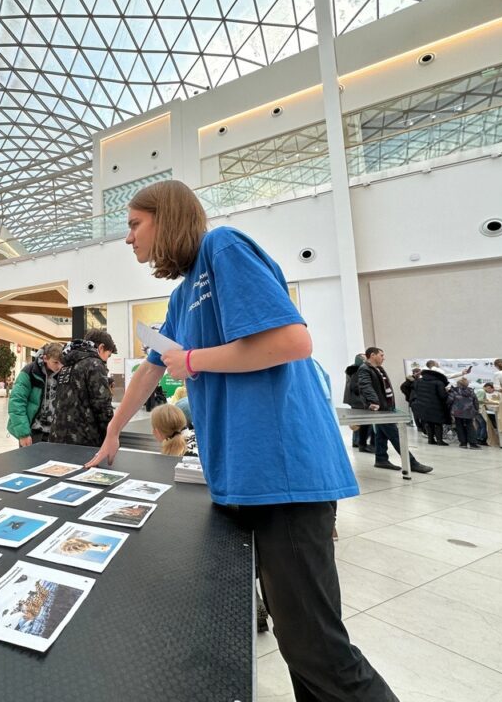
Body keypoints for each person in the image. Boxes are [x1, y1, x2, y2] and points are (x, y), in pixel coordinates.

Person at [86, 180, 396, 701]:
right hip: (242, 479)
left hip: (283, 477)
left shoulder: (222, 248)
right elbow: (152, 364)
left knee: (317, 648)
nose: (128, 238)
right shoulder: (184, 293)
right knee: (298, 643)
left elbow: (290, 340)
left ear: (167, 217)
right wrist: (115, 429)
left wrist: (195, 361)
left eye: (135, 224)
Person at [356, 347, 433, 473]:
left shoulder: (378, 368)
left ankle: (381, 459)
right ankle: (411, 463)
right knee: (396, 436)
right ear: (372, 355)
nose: (383, 357)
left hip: (387, 407)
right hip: (380, 409)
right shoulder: (365, 369)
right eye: (381, 355)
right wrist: (374, 401)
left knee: (381, 435)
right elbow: (365, 386)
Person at [49, 329, 117, 449]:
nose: (106, 360)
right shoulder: (95, 364)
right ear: (100, 348)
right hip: (85, 440)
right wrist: (112, 434)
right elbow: (102, 407)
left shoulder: (67, 365)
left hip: (58, 436)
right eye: (108, 355)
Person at [7, 342, 64, 447]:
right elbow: (16, 402)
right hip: (33, 432)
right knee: (28, 462)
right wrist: (23, 434)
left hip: (55, 434)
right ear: (45, 358)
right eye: (55, 362)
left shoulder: (64, 374)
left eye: (61, 363)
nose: (59, 366)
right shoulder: (30, 372)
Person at [343, 353, 374, 453]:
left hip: (353, 400)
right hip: (359, 400)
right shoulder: (358, 371)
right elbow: (356, 387)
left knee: (358, 421)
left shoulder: (351, 370)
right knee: (364, 422)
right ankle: (360, 441)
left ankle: (356, 441)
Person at [412, 366, 451, 445]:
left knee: (428, 423)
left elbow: (416, 391)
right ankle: (439, 440)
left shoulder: (419, 381)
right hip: (436, 407)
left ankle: (430, 440)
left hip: (423, 406)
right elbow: (442, 396)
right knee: (438, 423)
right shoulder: (438, 383)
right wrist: (447, 392)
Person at [447, 377, 480, 449]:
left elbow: (450, 401)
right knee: (470, 426)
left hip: (457, 411)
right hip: (469, 411)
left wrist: (449, 409)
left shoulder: (455, 391)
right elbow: (476, 402)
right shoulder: (471, 391)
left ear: (458, 384)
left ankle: (463, 443)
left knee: (459, 427)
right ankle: (473, 443)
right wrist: (476, 410)